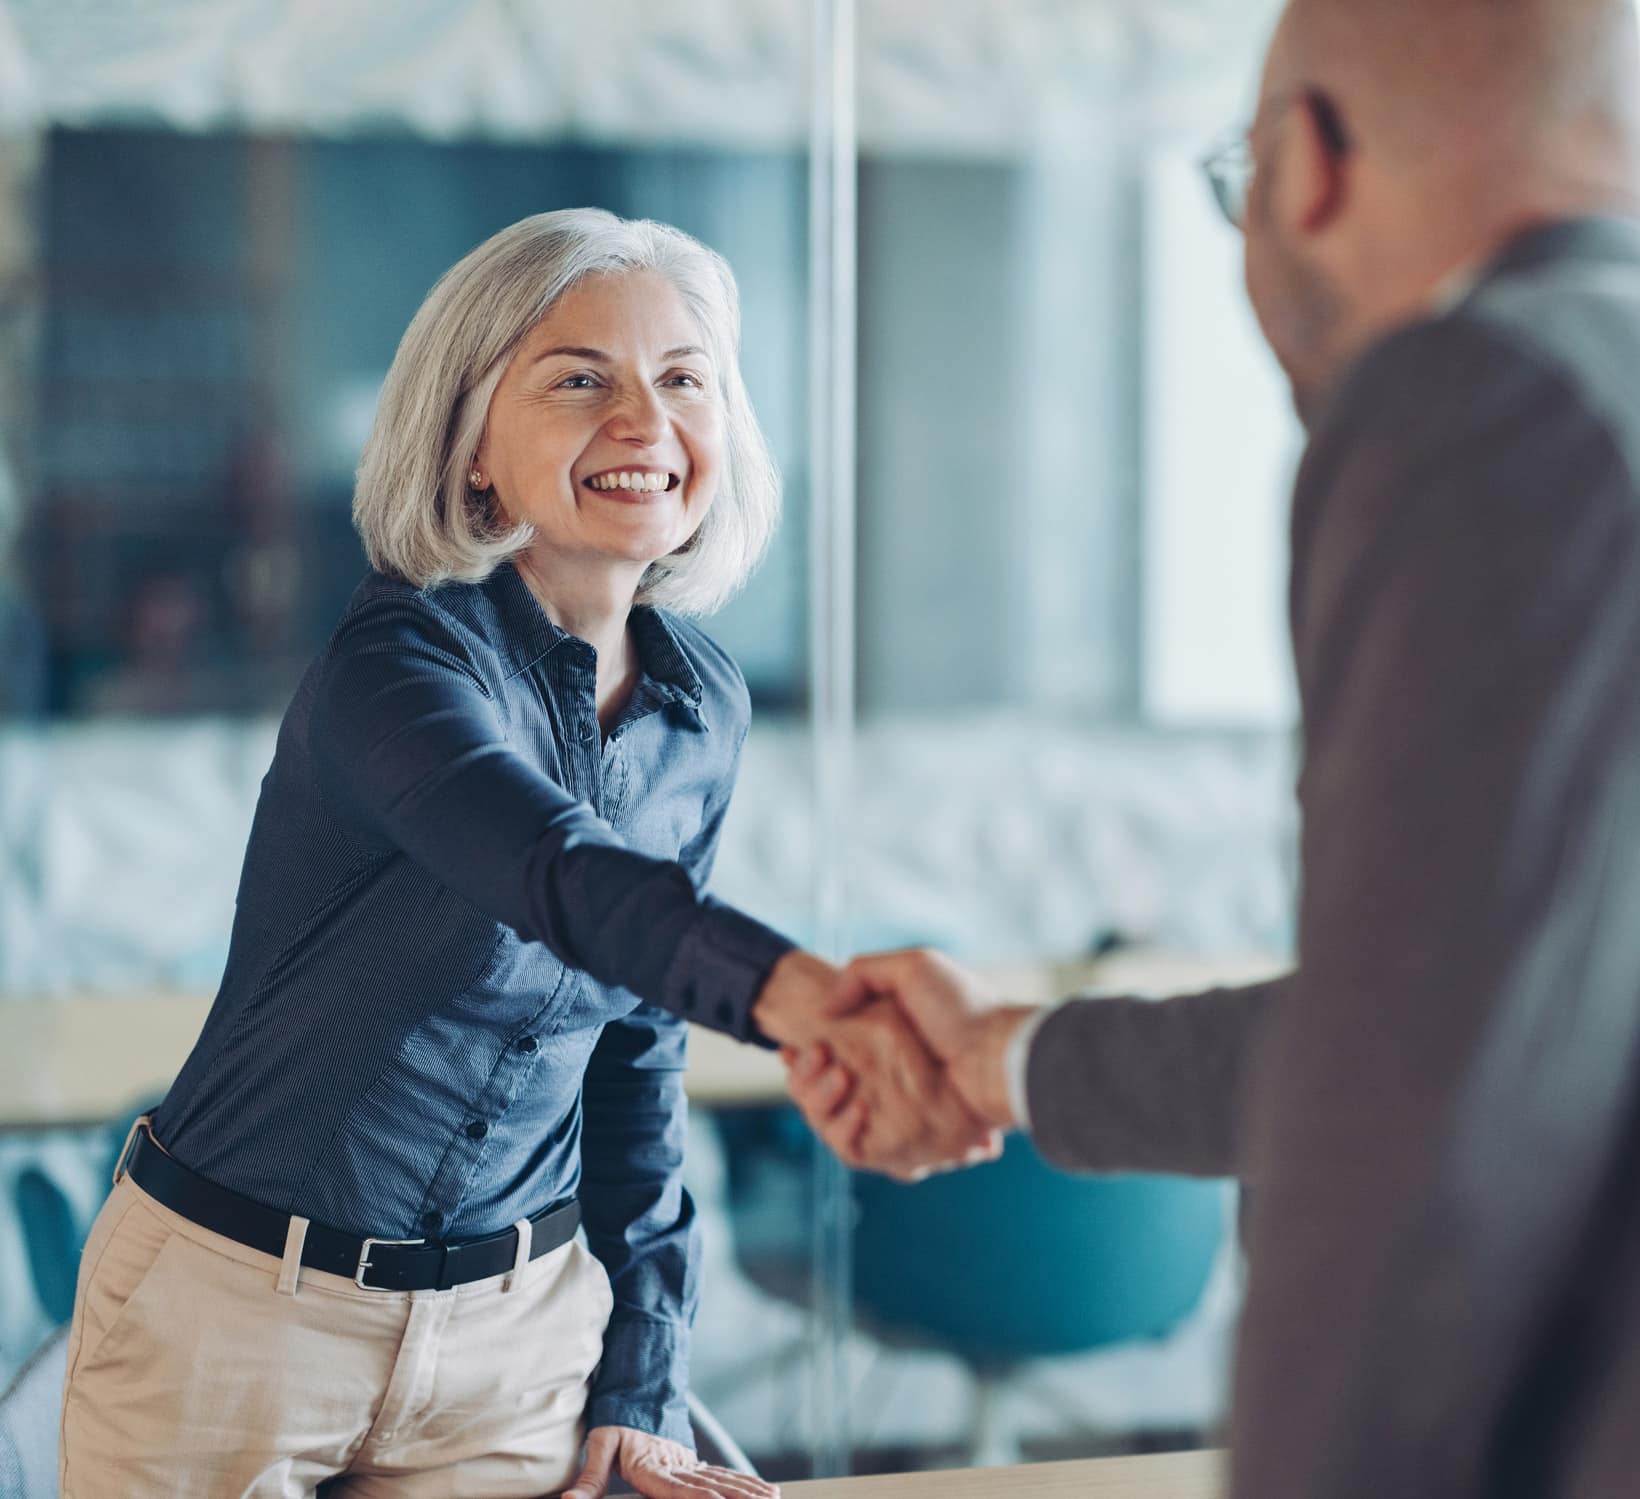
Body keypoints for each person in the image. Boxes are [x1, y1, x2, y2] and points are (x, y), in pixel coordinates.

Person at [789, 1, 1640, 1494]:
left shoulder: (1495, 395)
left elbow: (1412, 1158)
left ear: (1305, 163)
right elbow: (1428, 1019)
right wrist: (1005, 1060)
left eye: (1234, 187)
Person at [60, 208, 993, 1499]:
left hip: (516, 1338)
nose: (645, 421)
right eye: (579, 379)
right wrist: (814, 1004)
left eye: (683, 380)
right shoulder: (397, 668)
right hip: (235, 1321)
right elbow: (558, 876)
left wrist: (644, 1363)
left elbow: (637, 1045)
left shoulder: (698, 707)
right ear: (470, 450)